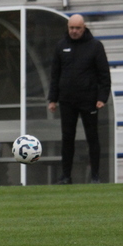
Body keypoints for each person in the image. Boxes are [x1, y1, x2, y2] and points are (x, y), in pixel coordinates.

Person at [47, 14, 111, 185]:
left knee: (92, 138)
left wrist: (102, 97)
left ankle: (95, 176)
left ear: (84, 28)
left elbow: (104, 74)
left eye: (77, 28)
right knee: (67, 137)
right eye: (71, 28)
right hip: (67, 101)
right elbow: (55, 75)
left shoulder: (95, 46)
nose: (74, 31)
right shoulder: (61, 46)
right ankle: (66, 176)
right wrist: (52, 99)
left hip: (89, 100)